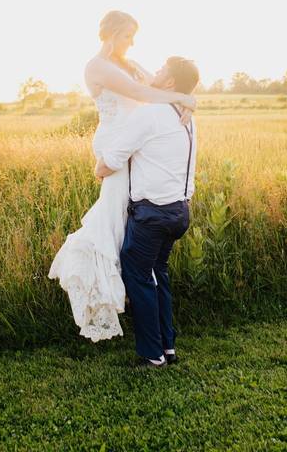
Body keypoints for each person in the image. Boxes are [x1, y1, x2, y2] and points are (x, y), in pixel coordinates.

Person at [48, 11, 195, 342]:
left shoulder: (129, 63)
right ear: (113, 33)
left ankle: (135, 297)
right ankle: (111, 293)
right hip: (117, 143)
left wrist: (189, 95)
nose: (132, 42)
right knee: (113, 220)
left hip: (135, 146)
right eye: (129, 35)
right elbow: (144, 95)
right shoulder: (97, 66)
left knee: (133, 221)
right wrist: (183, 97)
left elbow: (161, 83)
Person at [95, 57, 199, 368]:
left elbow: (111, 160)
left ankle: (152, 355)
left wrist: (99, 167)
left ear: (169, 83)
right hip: (179, 210)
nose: (155, 72)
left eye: (162, 69)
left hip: (153, 213)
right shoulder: (184, 114)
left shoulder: (150, 114)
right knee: (158, 274)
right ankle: (167, 347)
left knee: (138, 275)